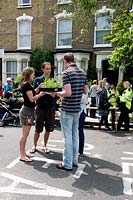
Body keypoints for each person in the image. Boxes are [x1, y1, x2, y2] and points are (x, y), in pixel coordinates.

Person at [55, 52, 88, 171]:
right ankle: (74, 161)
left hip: (67, 108)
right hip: (77, 109)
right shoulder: (82, 73)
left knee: (67, 137)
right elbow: (86, 90)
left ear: (65, 61)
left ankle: (67, 164)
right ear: (73, 60)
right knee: (75, 135)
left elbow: (68, 93)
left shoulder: (66, 73)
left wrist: (57, 93)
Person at [19, 67, 45, 162]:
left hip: (29, 111)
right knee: (24, 135)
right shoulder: (26, 85)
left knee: (25, 134)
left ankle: (23, 153)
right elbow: (32, 99)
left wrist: (38, 88)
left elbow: (32, 92)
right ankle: (22, 155)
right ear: (29, 74)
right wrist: (40, 94)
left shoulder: (27, 85)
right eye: (33, 74)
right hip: (27, 111)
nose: (34, 75)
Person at [30, 62, 56, 154]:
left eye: (50, 69)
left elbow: (55, 95)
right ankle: (34, 145)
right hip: (40, 107)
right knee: (38, 128)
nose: (49, 71)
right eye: (47, 69)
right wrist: (39, 87)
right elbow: (33, 93)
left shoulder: (53, 80)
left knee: (48, 129)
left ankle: (45, 145)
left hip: (50, 107)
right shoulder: (37, 79)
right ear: (43, 69)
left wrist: (49, 92)